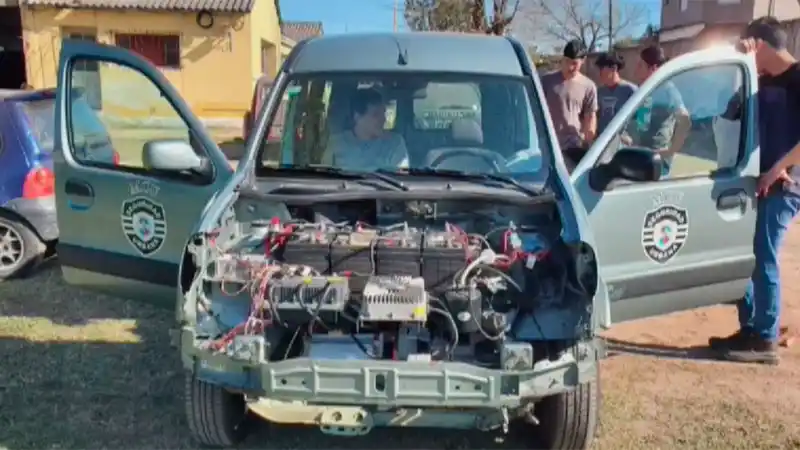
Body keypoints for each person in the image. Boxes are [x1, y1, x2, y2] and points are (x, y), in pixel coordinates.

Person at [708, 17, 800, 364]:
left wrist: (779, 169)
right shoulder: (759, 78)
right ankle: (751, 326)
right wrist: (742, 65)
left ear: (759, 43)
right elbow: (730, 111)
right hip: (756, 180)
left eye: (748, 47)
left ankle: (765, 338)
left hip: (787, 184)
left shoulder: (797, 77)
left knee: (764, 254)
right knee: (747, 254)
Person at [623, 45, 691, 177]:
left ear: (653, 68)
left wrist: (672, 150)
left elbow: (684, 119)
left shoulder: (667, 89)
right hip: (641, 157)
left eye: (640, 65)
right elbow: (641, 121)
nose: (636, 69)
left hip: (657, 162)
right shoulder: (644, 91)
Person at [321, 87, 409, 170]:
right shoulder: (337, 144)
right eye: (376, 115)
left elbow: (403, 178)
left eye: (384, 113)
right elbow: (323, 177)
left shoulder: (395, 143)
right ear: (357, 117)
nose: (383, 119)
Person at [540, 39, 598, 152]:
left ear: (583, 61)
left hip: (573, 144)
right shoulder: (546, 81)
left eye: (574, 63)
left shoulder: (588, 86)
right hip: (547, 143)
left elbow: (590, 117)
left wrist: (588, 142)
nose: (570, 67)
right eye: (567, 62)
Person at [594, 52, 637, 135]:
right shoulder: (600, 92)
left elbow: (640, 119)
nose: (599, 73)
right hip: (603, 141)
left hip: (623, 141)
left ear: (614, 68)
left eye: (602, 68)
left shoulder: (630, 90)